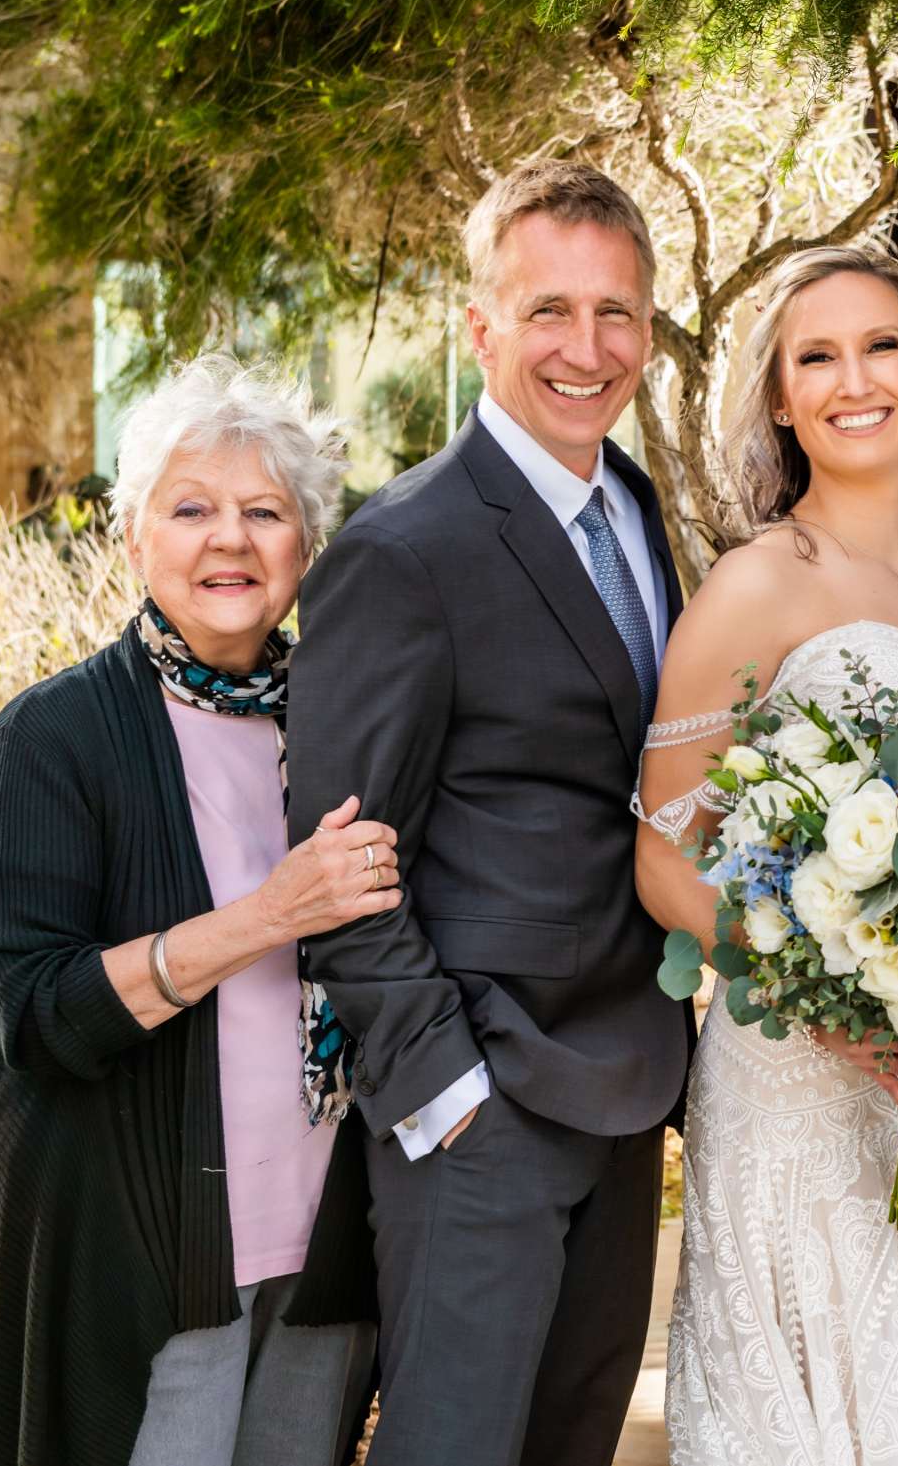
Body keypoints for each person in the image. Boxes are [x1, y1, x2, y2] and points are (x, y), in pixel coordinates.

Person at [282, 160, 693, 1463]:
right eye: (549, 312)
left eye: (616, 313)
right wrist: (445, 1094)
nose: (587, 348)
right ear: (480, 329)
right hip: (481, 1100)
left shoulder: (633, 507)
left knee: (572, 1444)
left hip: (625, 1092)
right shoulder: (403, 548)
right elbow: (339, 863)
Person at [635, 244, 898, 1466]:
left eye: (882, 345)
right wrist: (828, 1002)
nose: (853, 379)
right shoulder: (760, 582)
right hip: (797, 1082)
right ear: (779, 399)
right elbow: (664, 855)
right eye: (813, 357)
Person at [0, 356, 381, 1466]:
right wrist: (268, 912)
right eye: (191, 508)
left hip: (322, 1244)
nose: (228, 539)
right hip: (141, 1248)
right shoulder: (53, 737)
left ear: (306, 544)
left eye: (265, 511)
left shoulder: (347, 727)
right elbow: (39, 1017)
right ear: (136, 538)